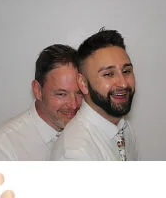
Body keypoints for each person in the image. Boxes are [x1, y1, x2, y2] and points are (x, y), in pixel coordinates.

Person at [0, 44, 83, 161]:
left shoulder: (87, 132)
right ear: (37, 90)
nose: (74, 105)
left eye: (79, 93)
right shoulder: (2, 147)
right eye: (61, 94)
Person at [52, 29, 138, 161]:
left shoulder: (123, 127)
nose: (123, 83)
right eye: (108, 74)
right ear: (83, 83)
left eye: (126, 71)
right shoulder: (75, 154)